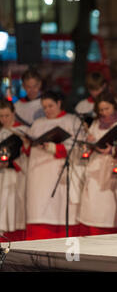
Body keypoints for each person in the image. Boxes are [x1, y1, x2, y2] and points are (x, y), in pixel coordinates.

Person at [24, 91, 84, 240]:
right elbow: (28, 147)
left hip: (60, 174)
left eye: (50, 106)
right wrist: (26, 144)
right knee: (39, 210)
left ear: (59, 103)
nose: (47, 110)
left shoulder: (72, 121)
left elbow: (79, 147)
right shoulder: (38, 123)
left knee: (61, 212)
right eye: (44, 107)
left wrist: (55, 148)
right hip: (39, 175)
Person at [78, 91, 117, 236]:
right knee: (95, 204)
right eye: (101, 110)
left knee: (112, 204)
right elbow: (91, 140)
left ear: (114, 106)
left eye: (107, 109)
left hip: (114, 165)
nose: (104, 113)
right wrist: (89, 141)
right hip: (97, 164)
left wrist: (114, 149)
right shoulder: (96, 122)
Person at [0, 100, 27, 242]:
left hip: (16, 175)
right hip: (1, 176)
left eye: (7, 115)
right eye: (1, 116)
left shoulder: (22, 131)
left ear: (13, 113)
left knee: (14, 206)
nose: (4, 119)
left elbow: (27, 154)